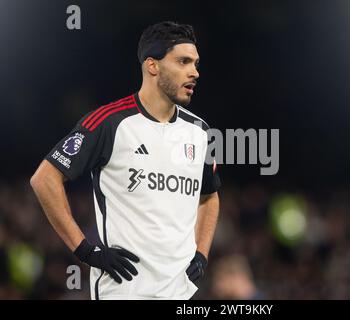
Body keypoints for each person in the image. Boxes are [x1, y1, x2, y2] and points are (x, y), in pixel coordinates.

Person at [30, 21, 221, 300]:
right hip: (122, 291)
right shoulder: (109, 122)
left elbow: (209, 196)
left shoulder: (201, 132)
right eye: (183, 62)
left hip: (181, 293)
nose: (194, 72)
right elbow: (44, 179)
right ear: (152, 66)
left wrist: (201, 255)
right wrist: (86, 250)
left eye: (195, 63)